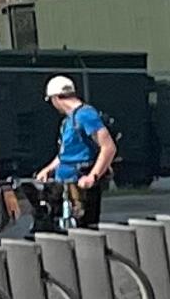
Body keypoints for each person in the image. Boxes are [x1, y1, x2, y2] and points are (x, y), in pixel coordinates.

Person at [38, 72, 117, 227]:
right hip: (64, 184)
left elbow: (108, 147)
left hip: (81, 186)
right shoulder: (68, 121)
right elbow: (65, 154)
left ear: (55, 98)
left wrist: (92, 177)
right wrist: (48, 169)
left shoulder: (86, 115)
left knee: (83, 231)